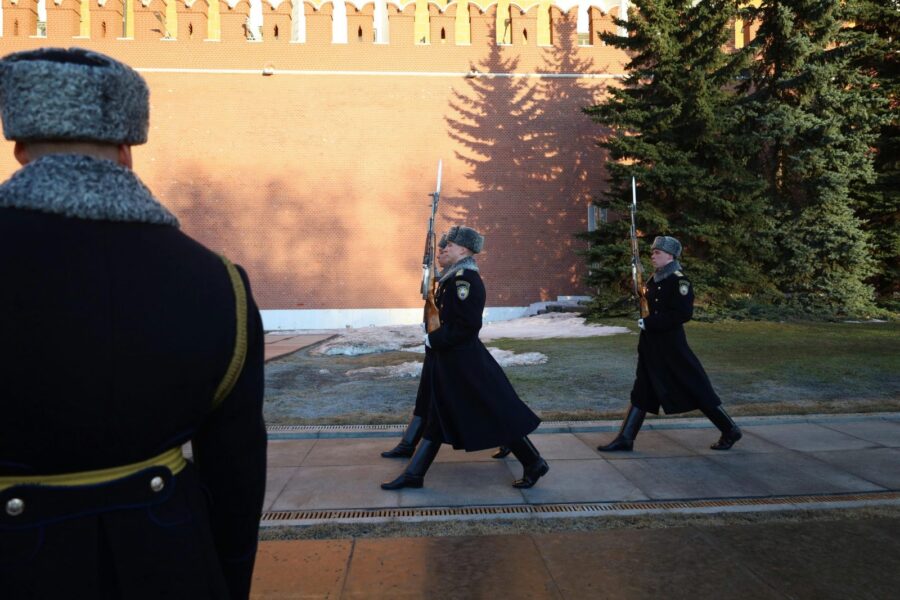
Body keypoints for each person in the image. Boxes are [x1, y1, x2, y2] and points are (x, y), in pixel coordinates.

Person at [0, 48, 266, 599]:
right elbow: (236, 472)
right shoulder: (221, 285)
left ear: (21, 146)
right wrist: (227, 579)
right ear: (126, 150)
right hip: (170, 564)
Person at [381, 226, 549, 490]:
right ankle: (415, 474)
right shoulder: (451, 278)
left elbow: (465, 327)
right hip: (451, 360)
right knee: (439, 415)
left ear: (465, 249)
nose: (444, 248)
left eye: (450, 244)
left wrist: (432, 339)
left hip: (463, 362)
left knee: (495, 412)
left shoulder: (465, 281)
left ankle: (534, 462)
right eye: (443, 244)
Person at [598, 236, 742, 453]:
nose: (653, 256)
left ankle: (730, 429)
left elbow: (682, 314)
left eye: (657, 252)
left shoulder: (679, 280)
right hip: (651, 346)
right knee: (642, 391)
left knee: (697, 387)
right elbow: (647, 302)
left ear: (670, 255)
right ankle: (625, 438)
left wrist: (650, 323)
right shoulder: (655, 279)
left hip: (671, 347)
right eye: (653, 252)